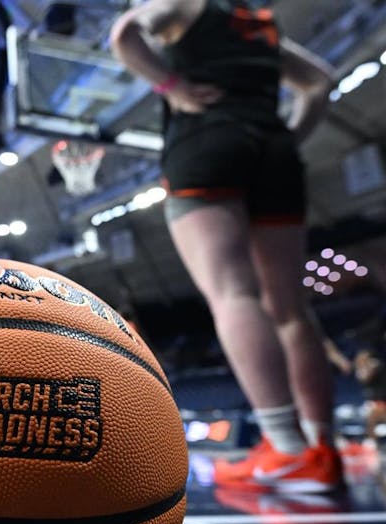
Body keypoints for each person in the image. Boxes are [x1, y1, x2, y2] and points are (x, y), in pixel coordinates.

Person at [110, 0, 341, 492]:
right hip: (272, 149)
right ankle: (323, 450)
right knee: (292, 309)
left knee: (233, 293)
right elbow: (320, 80)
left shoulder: (182, 4)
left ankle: (285, 447)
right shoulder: (259, 23)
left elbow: (125, 35)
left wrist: (173, 88)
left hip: (208, 141)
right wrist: (289, 135)